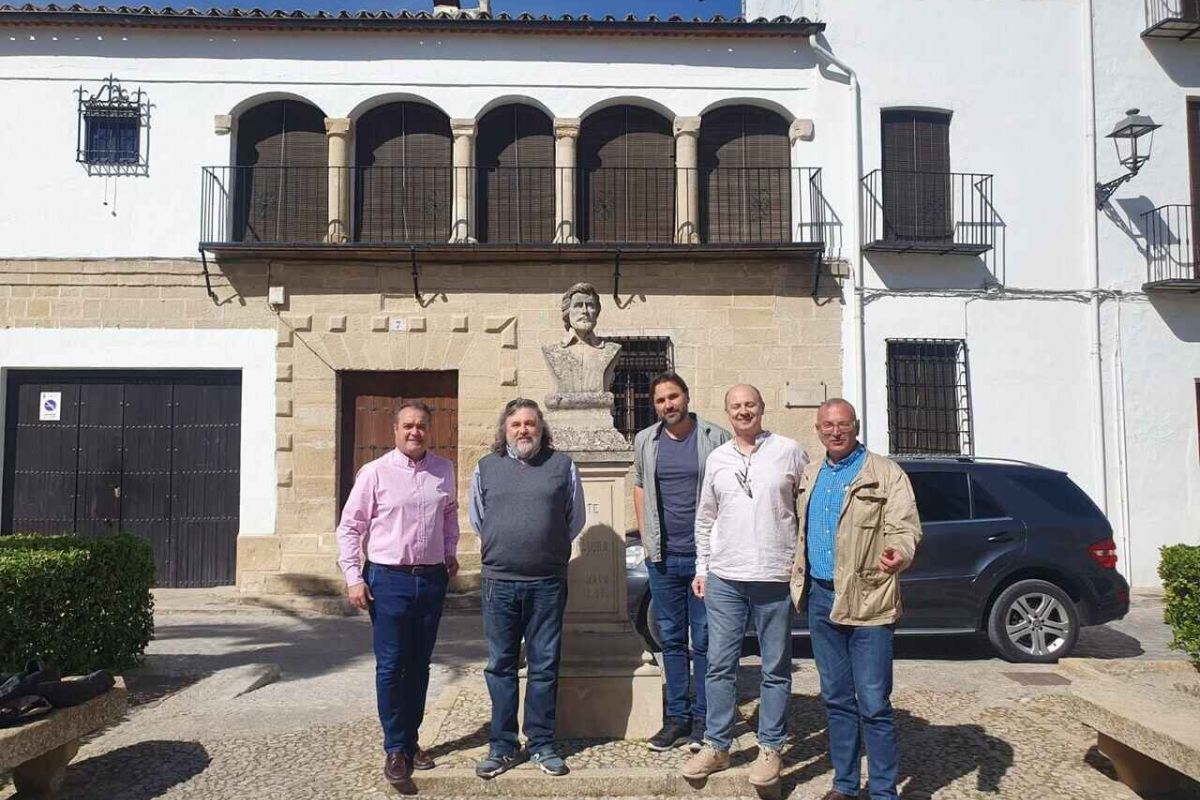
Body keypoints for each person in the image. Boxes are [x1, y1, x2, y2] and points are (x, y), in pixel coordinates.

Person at [791, 398, 921, 800]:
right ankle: (845, 786)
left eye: (843, 424)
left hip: (869, 600)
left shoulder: (885, 473)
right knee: (836, 699)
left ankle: (883, 791)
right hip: (821, 598)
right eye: (827, 425)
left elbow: (905, 528)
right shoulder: (811, 474)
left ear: (856, 426)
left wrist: (899, 552)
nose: (835, 431)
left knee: (874, 703)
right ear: (818, 430)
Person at [681, 384, 809, 790]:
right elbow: (706, 517)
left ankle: (770, 747)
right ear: (728, 413)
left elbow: (804, 511)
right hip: (726, 576)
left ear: (761, 407)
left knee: (775, 667)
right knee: (719, 665)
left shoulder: (789, 451)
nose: (743, 411)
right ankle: (717, 744)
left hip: (773, 575)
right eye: (736, 406)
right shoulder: (718, 458)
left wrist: (800, 567)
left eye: (749, 404)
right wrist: (702, 568)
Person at [336, 400, 460, 794]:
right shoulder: (374, 473)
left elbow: (449, 514)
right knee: (391, 666)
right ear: (395, 430)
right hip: (388, 579)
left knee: (420, 665)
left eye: (421, 425)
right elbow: (350, 527)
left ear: (429, 430)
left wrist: (450, 551)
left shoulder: (444, 470)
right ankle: (394, 748)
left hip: (431, 579)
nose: (414, 432)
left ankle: (410, 740)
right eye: (407, 425)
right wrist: (354, 577)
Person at [468, 398, 586, 779]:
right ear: (505, 430)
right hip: (499, 583)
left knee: (544, 665)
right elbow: (478, 518)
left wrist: (545, 547)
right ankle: (502, 746)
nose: (523, 430)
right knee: (500, 666)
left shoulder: (562, 466)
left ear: (541, 428)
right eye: (516, 424)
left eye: (530, 424)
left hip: (547, 583)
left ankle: (540, 744)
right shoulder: (486, 468)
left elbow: (574, 519)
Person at [632, 371, 729, 752]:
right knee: (670, 639)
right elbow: (640, 485)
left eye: (673, 397)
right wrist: (646, 538)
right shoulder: (646, 440)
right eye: (660, 400)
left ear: (686, 397)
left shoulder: (715, 437)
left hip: (706, 558)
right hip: (663, 557)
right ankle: (677, 717)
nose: (668, 405)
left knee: (704, 640)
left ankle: (705, 719)